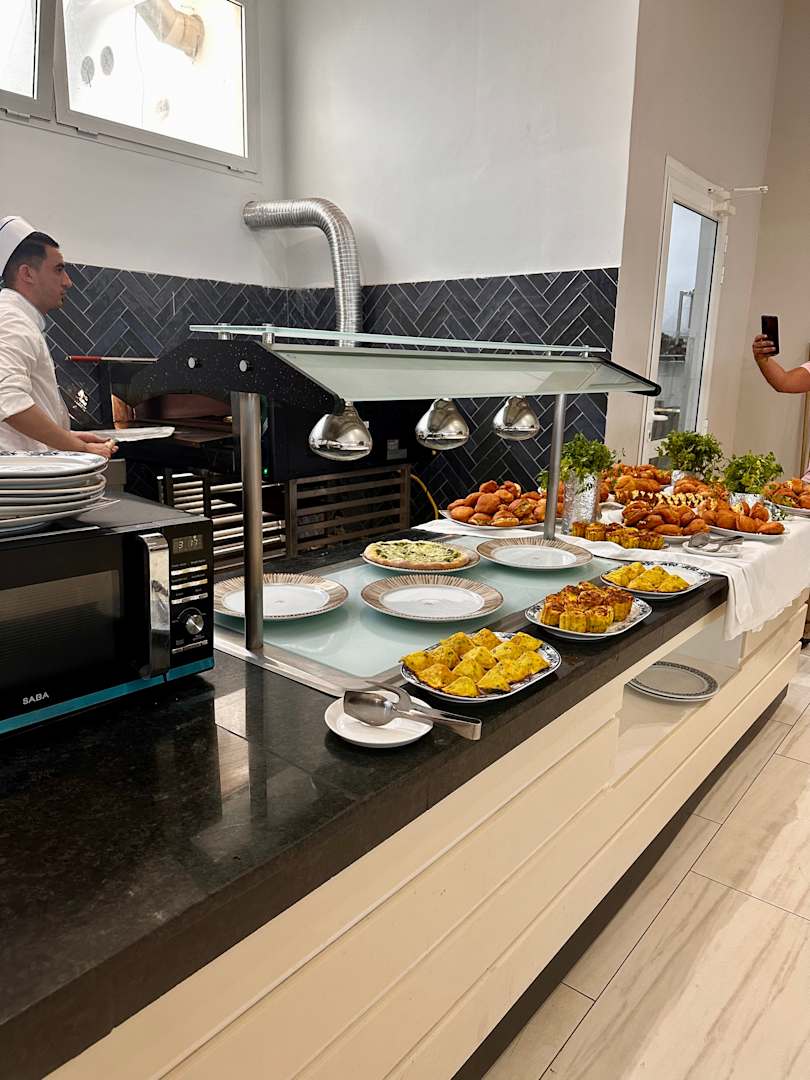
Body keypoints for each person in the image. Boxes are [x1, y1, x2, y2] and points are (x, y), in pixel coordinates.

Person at [0, 215, 115, 456]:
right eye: (58, 270)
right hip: (19, 476)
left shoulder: (18, 319)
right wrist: (80, 448)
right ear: (27, 274)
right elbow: (7, 399)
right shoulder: (11, 320)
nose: (68, 282)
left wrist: (66, 437)